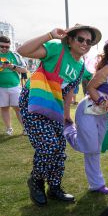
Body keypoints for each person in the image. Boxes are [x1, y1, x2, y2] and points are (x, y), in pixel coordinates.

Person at [17, 24, 102, 206]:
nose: (85, 43)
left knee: (59, 149)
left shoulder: (80, 67)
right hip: (35, 101)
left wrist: (66, 116)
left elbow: (70, 91)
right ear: (70, 40)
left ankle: (54, 187)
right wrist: (49, 35)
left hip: (54, 107)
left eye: (89, 41)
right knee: (49, 145)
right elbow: (22, 50)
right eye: (81, 39)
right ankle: (36, 181)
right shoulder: (57, 49)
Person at [63, 38, 108, 194]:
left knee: (95, 150)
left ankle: (96, 184)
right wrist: (101, 100)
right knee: (90, 147)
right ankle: (68, 131)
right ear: (107, 55)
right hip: (88, 110)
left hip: (103, 114)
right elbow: (91, 87)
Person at [0, 35, 28, 135]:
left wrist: (13, 66)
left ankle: (25, 128)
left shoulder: (15, 55)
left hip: (15, 86)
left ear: (10, 46)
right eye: (2, 46)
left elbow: (24, 69)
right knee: (4, 108)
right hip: (1, 87)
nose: (4, 49)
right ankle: (9, 129)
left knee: (18, 108)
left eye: (7, 47)